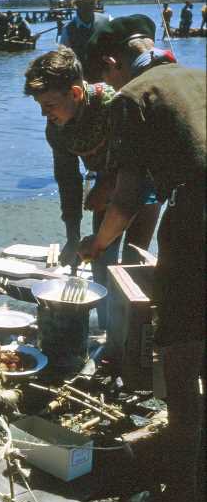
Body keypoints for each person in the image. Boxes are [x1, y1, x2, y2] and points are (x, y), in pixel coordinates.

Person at [81, 14, 205, 502]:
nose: (109, 87)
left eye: (105, 77)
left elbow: (129, 198)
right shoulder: (198, 76)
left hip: (196, 222)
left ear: (113, 62)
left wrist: (97, 243)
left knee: (180, 362)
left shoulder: (134, 96)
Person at [24, 47, 162, 332]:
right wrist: (72, 234)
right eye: (40, 105)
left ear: (75, 93)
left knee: (133, 260)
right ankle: (108, 329)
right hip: (107, 182)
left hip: (146, 180)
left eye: (49, 105)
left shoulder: (116, 105)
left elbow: (137, 166)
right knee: (100, 260)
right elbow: (68, 181)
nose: (44, 113)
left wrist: (105, 185)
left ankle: (132, 330)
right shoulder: (56, 129)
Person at [59, 0, 112, 82]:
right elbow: (63, 58)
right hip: (81, 80)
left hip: (107, 78)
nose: (88, 6)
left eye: (91, 3)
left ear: (95, 4)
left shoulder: (108, 21)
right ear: (77, 5)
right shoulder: (67, 29)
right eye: (84, 3)